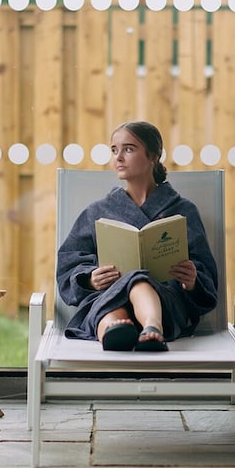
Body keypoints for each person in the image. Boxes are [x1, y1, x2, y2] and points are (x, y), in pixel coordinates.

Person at [56, 120, 220, 352]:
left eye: (129, 149)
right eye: (114, 150)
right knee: (109, 307)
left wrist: (193, 280)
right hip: (107, 296)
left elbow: (204, 270)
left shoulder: (183, 210)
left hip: (165, 300)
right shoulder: (97, 211)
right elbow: (69, 262)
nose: (119, 157)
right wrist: (90, 279)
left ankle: (151, 326)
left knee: (137, 279)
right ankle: (122, 332)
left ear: (153, 155)